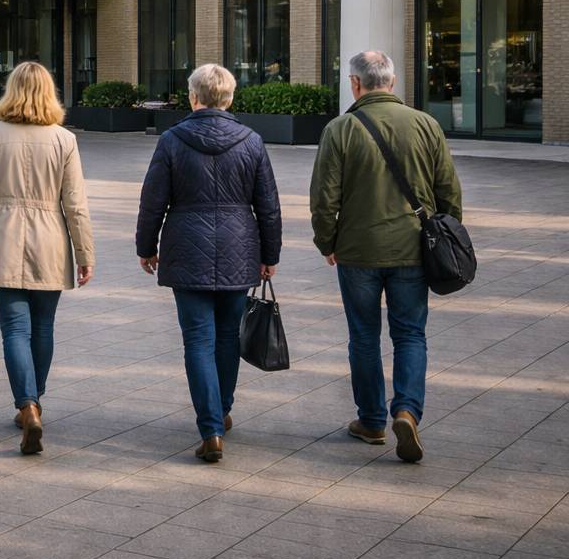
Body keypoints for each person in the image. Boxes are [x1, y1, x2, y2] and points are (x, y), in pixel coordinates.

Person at [311, 50, 462, 464]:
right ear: (392, 83)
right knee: (410, 334)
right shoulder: (427, 125)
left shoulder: (340, 129)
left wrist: (327, 241)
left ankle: (373, 421)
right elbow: (449, 191)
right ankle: (408, 411)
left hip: (358, 251)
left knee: (363, 336)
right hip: (414, 250)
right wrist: (447, 237)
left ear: (355, 84)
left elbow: (324, 198)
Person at [136, 64, 282, 464]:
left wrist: (146, 246)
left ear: (193, 97)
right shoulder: (251, 141)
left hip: (187, 245)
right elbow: (268, 205)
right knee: (227, 336)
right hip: (239, 246)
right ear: (230, 98)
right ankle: (222, 410)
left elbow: (153, 201)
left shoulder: (171, 140)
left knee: (198, 339)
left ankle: (211, 427)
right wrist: (270, 255)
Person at [0, 61, 94, 456]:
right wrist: (84, 252)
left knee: (14, 329)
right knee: (44, 327)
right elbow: (76, 205)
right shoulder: (64, 140)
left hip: (2, 237)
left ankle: (27, 404)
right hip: (50, 240)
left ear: (11, 91)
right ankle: (36, 399)